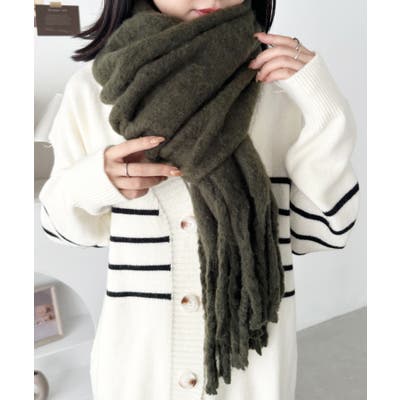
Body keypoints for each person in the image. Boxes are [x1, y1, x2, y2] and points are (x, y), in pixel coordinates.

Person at [38, 1, 360, 399]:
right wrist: (95, 181)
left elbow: (325, 231)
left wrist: (328, 110)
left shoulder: (283, 87)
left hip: (250, 374)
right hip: (138, 371)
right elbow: (60, 227)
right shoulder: (94, 89)